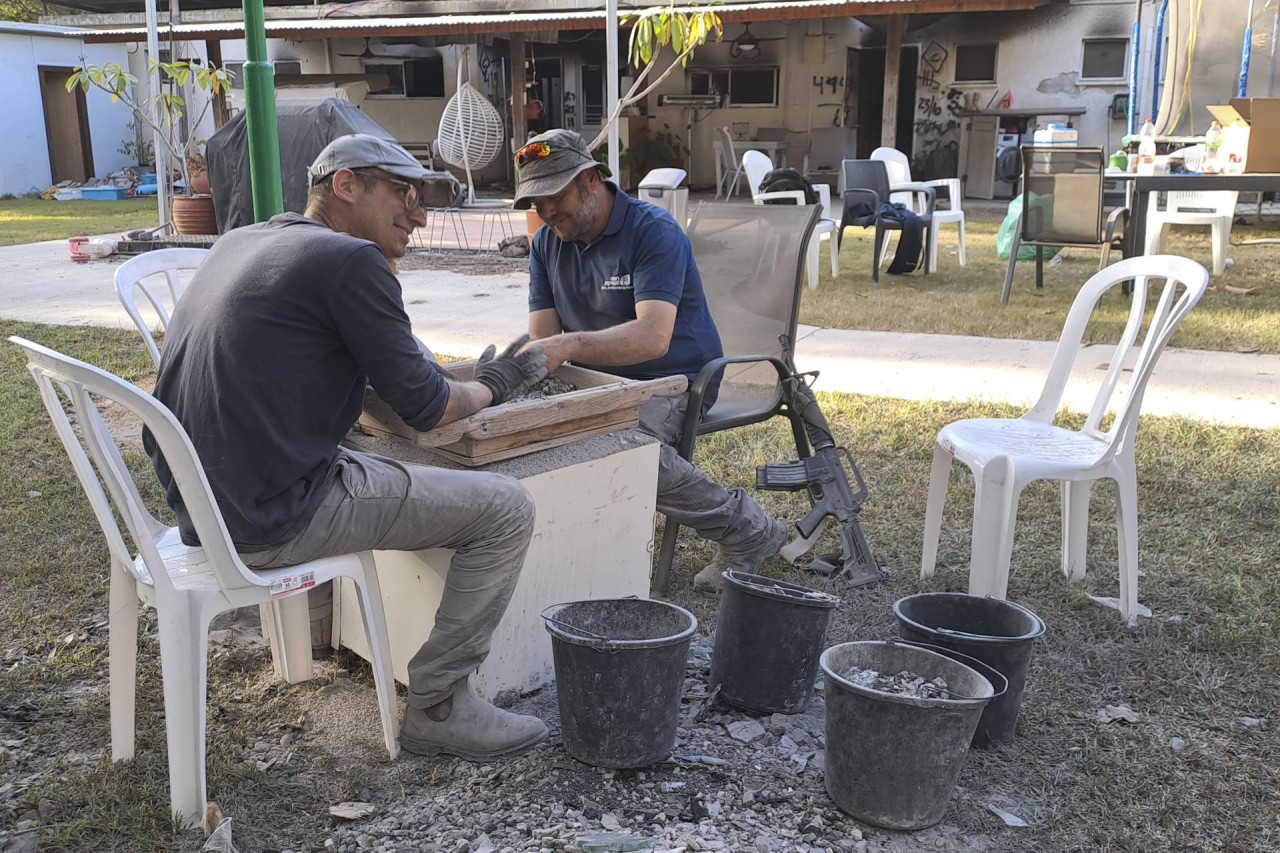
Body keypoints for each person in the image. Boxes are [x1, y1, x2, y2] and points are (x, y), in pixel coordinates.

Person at [143, 134, 551, 761]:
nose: (418, 215)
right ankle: (438, 705)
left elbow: (374, 373)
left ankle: (319, 628)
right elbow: (429, 409)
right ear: (345, 185)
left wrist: (440, 380)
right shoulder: (350, 262)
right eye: (403, 193)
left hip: (199, 507)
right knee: (506, 510)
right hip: (268, 518)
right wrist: (496, 385)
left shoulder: (243, 240)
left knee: (360, 448)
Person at [513, 129, 790, 592]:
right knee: (534, 426)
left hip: (676, 378)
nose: (544, 212)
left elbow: (653, 338)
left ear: (589, 180)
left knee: (619, 444)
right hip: (596, 379)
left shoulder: (652, 231)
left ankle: (747, 530)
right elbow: (544, 338)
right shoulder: (546, 244)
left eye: (552, 196)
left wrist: (570, 347)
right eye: (535, 203)